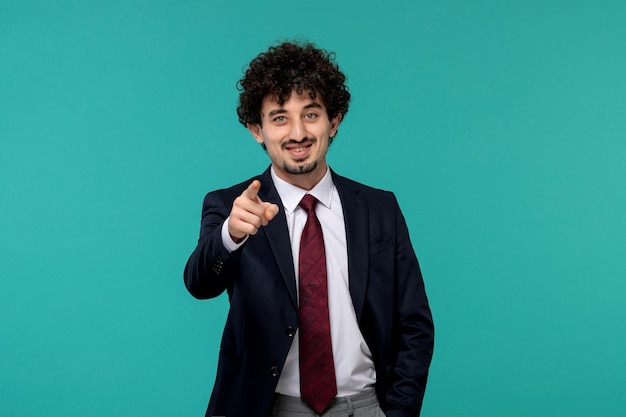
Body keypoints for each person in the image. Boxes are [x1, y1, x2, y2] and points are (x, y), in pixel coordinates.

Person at [184, 41, 434, 417]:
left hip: (364, 406)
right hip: (267, 407)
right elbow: (200, 284)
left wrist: (397, 412)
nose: (297, 133)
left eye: (311, 114)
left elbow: (414, 323)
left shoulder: (380, 209)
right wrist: (230, 236)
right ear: (257, 129)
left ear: (334, 121)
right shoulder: (232, 206)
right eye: (280, 117)